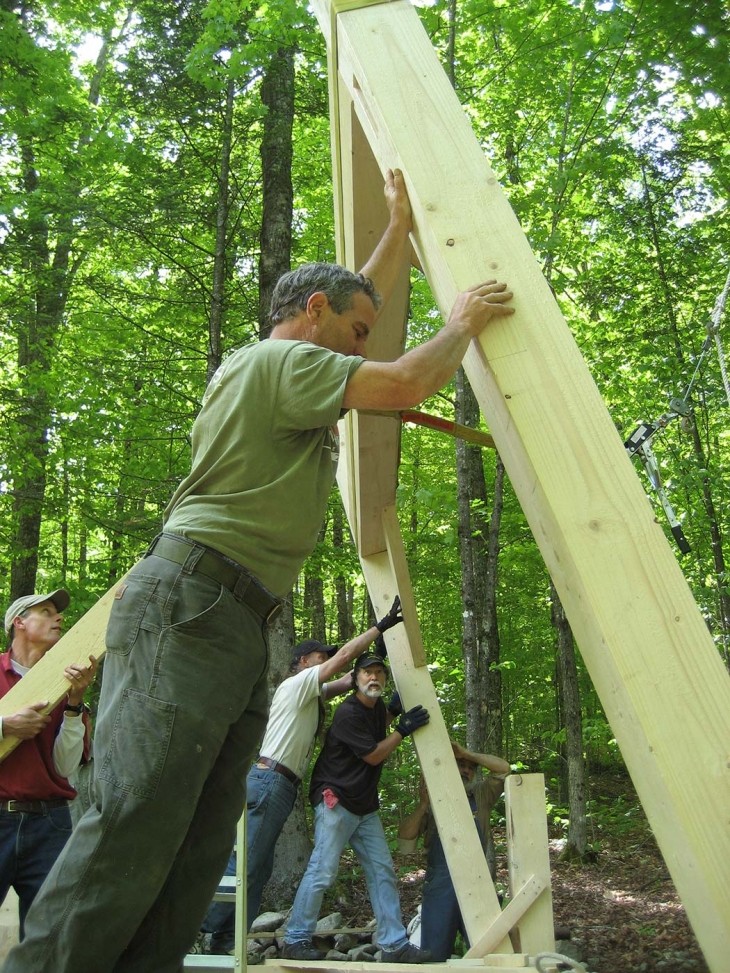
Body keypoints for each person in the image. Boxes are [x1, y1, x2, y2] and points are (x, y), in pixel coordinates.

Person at [3, 169, 514, 973]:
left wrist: (397, 233)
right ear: (311, 316)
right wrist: (460, 324)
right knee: (133, 821)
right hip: (195, 603)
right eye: (354, 333)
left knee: (195, 843)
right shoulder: (278, 364)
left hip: (231, 618)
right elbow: (409, 376)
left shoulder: (298, 362)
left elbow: (357, 299)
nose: (362, 346)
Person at [200, 597, 403, 954]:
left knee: (258, 870)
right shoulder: (296, 686)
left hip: (280, 786)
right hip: (268, 781)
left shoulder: (312, 694)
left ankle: (225, 944)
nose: (326, 660)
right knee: (245, 864)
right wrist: (380, 627)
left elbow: (348, 681)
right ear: (302, 664)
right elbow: (343, 664)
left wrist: (379, 660)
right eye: (319, 657)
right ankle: (198, 930)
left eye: (326, 656)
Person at [282, 653, 431, 963]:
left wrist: (393, 714)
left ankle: (393, 944)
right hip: (335, 800)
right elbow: (373, 755)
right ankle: (296, 938)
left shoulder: (375, 709)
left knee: (382, 871)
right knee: (322, 871)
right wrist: (402, 731)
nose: (373, 678)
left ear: (385, 680)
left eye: (379, 672)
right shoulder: (348, 712)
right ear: (355, 678)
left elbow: (378, 725)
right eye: (367, 673)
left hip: (364, 805)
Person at [0, 590, 95, 939]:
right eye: (46, 611)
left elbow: (64, 765)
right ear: (19, 623)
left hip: (50, 822)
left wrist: (73, 704)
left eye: (58, 613)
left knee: (49, 933)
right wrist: (4, 727)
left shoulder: (64, 682)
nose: (59, 619)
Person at [398, 741, 511, 961]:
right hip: (440, 883)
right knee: (433, 955)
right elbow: (404, 841)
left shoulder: (481, 795)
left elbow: (504, 768)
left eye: (471, 768)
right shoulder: (433, 800)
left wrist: (466, 753)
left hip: (477, 880)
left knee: (488, 952)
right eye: (460, 765)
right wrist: (422, 806)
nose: (467, 771)